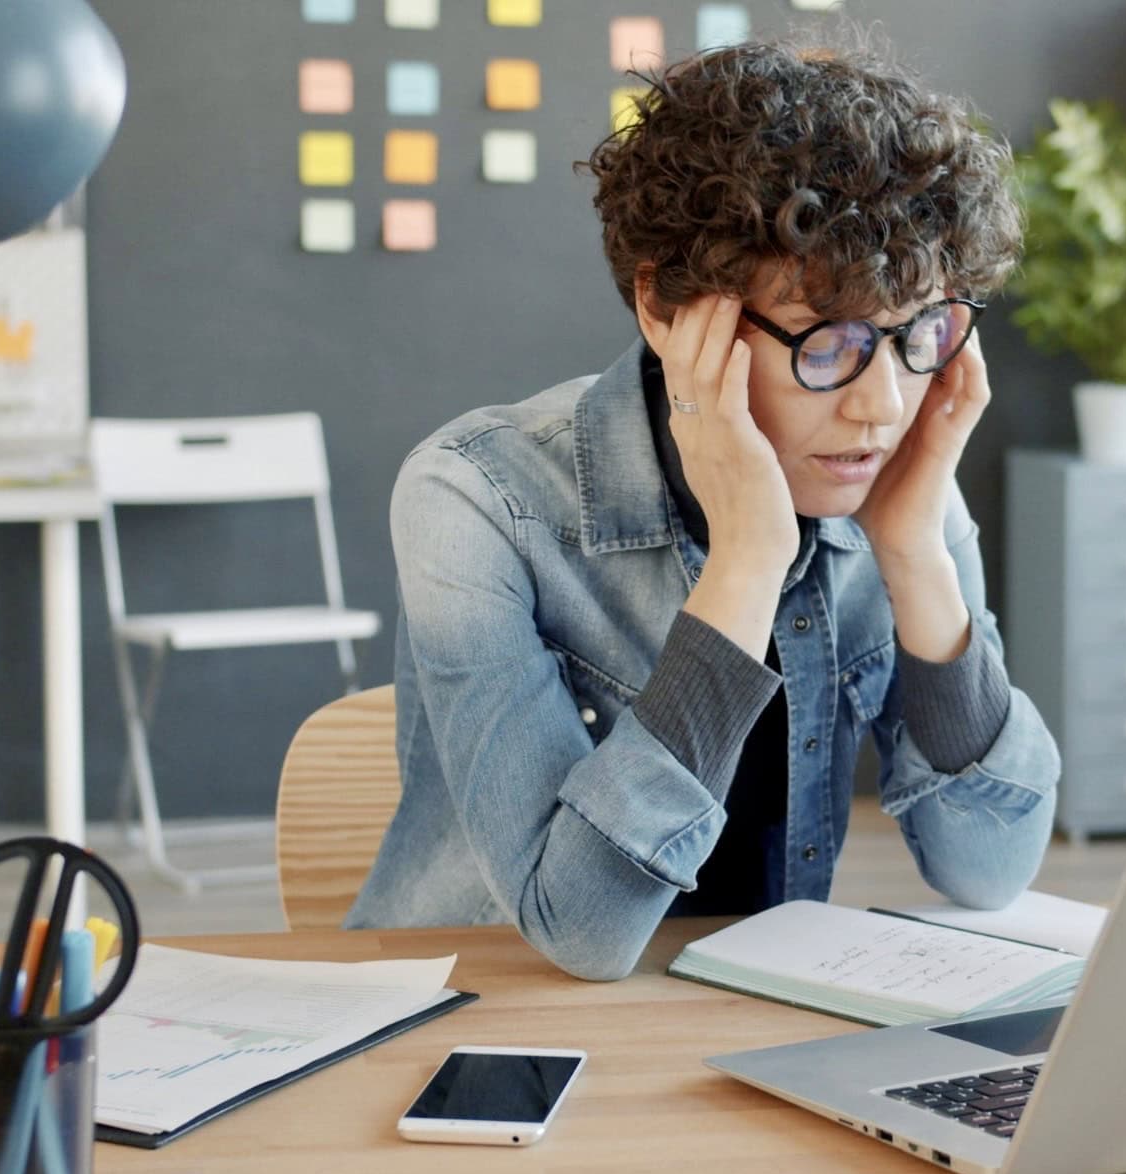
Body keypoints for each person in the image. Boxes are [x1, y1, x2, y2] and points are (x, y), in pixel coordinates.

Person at [346, 38, 1060, 979]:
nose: (882, 404)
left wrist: (917, 553)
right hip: (479, 1018)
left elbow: (990, 868)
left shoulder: (888, 483)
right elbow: (581, 932)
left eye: (918, 331)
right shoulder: (478, 498)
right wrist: (746, 563)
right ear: (667, 307)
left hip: (737, 1015)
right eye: (828, 344)